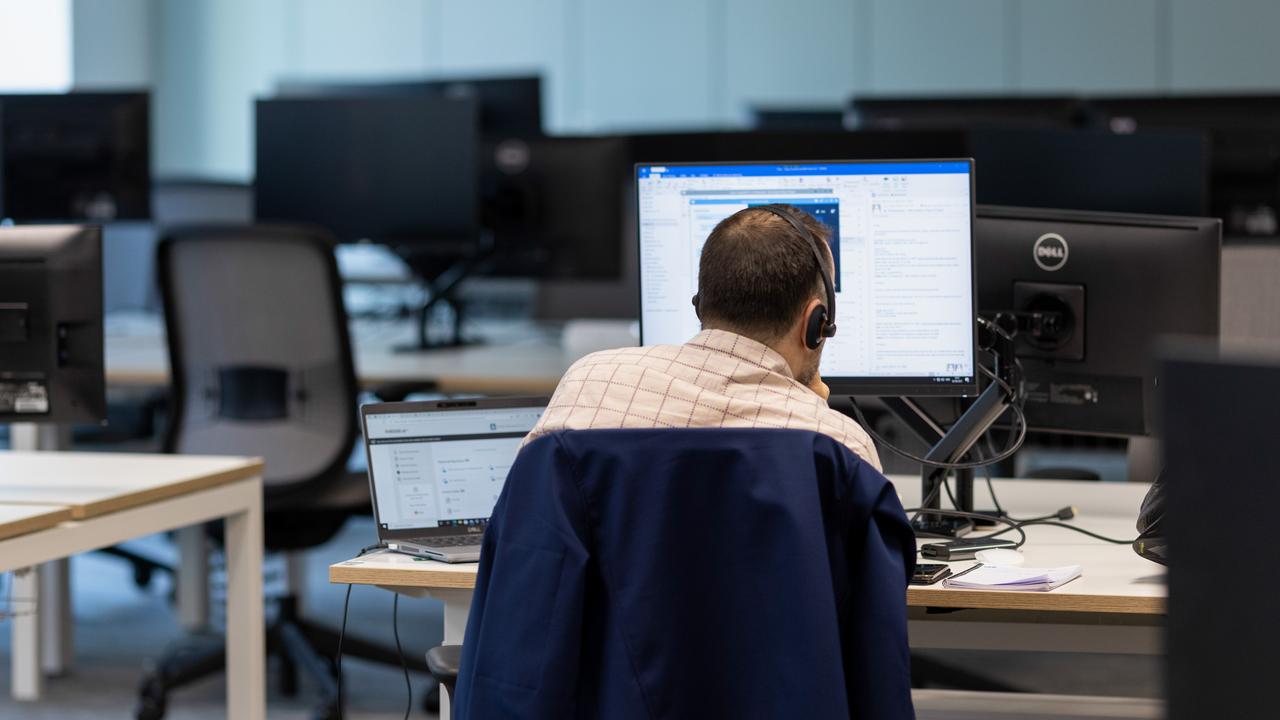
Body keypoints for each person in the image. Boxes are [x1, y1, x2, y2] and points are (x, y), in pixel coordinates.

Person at [526, 204, 881, 470]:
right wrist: (811, 410)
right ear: (816, 323)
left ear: (700, 306)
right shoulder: (837, 446)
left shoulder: (588, 384)